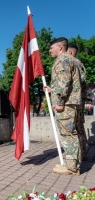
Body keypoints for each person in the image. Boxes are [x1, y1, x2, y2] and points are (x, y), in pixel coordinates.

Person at [44, 37, 82, 175]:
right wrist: (52, 90)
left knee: (68, 135)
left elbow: (63, 83)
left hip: (65, 105)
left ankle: (72, 168)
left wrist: (59, 102)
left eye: (51, 48)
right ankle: (74, 164)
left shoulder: (62, 60)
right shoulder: (73, 60)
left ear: (60, 47)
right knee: (72, 133)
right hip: (72, 103)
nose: (49, 51)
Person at [67, 44, 88, 160]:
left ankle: (76, 157)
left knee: (73, 127)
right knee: (80, 126)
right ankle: (83, 153)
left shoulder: (72, 63)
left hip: (74, 101)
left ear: (70, 52)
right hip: (80, 100)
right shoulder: (80, 64)